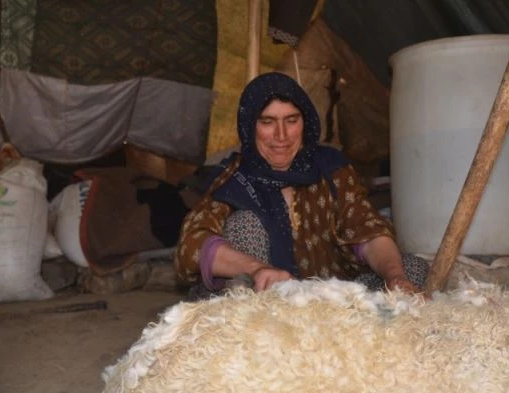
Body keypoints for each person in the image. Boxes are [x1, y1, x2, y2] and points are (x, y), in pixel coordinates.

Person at [174, 72, 429, 297]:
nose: (281, 136)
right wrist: (258, 269)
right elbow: (192, 245)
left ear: (305, 122)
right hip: (265, 297)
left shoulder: (331, 169)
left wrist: (396, 277)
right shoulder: (234, 179)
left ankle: (345, 329)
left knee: (410, 268)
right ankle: (263, 329)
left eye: (291, 120)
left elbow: (367, 229)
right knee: (244, 225)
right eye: (267, 122)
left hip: (329, 294)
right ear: (249, 127)